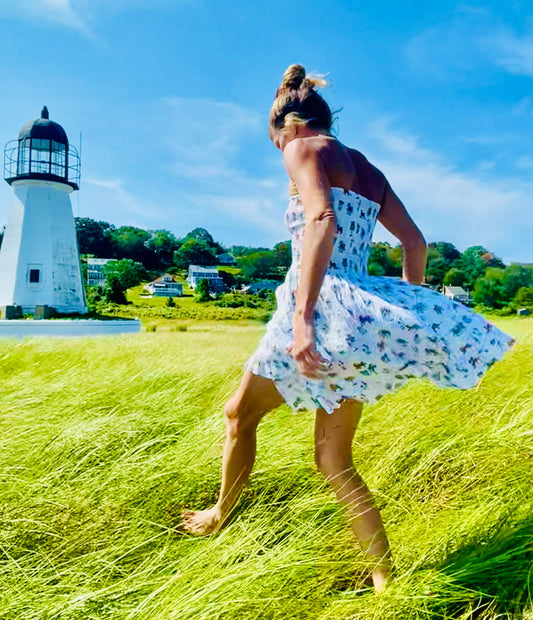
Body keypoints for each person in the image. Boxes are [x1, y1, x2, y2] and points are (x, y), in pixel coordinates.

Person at [182, 64, 514, 593]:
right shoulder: (368, 168)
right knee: (334, 459)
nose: (281, 160)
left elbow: (321, 221)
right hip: (359, 314)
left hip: (316, 306)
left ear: (287, 128)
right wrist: (405, 304)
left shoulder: (301, 147)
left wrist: (302, 318)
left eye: (276, 147)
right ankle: (385, 578)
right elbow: (416, 245)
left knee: (238, 416)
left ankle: (221, 516)